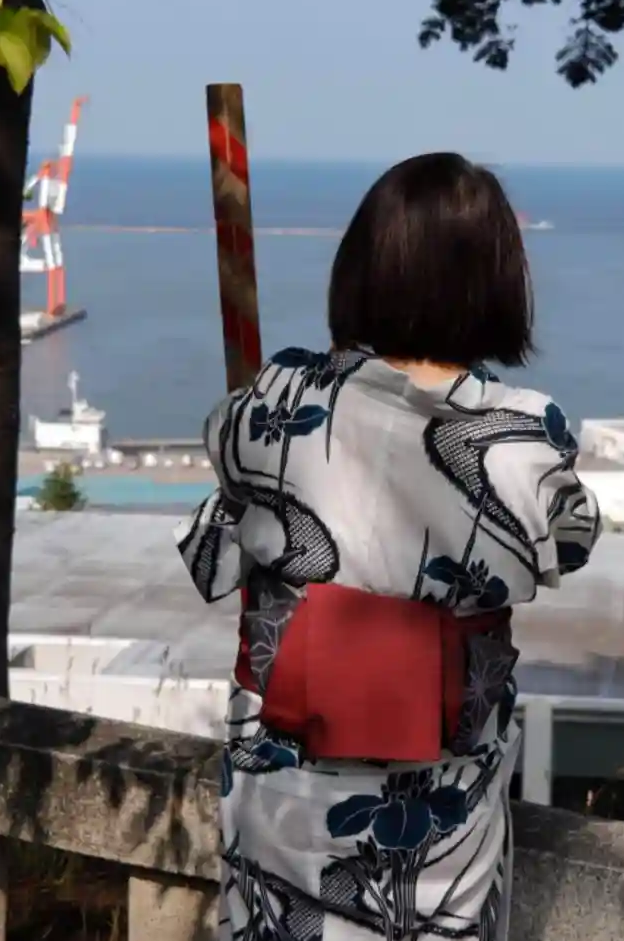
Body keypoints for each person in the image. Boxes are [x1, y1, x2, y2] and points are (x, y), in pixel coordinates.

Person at [175, 152, 601, 941]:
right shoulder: (519, 432)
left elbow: (223, 459)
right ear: (497, 281)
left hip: (278, 785)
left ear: (361, 268)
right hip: (437, 810)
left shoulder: (277, 395)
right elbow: (569, 542)